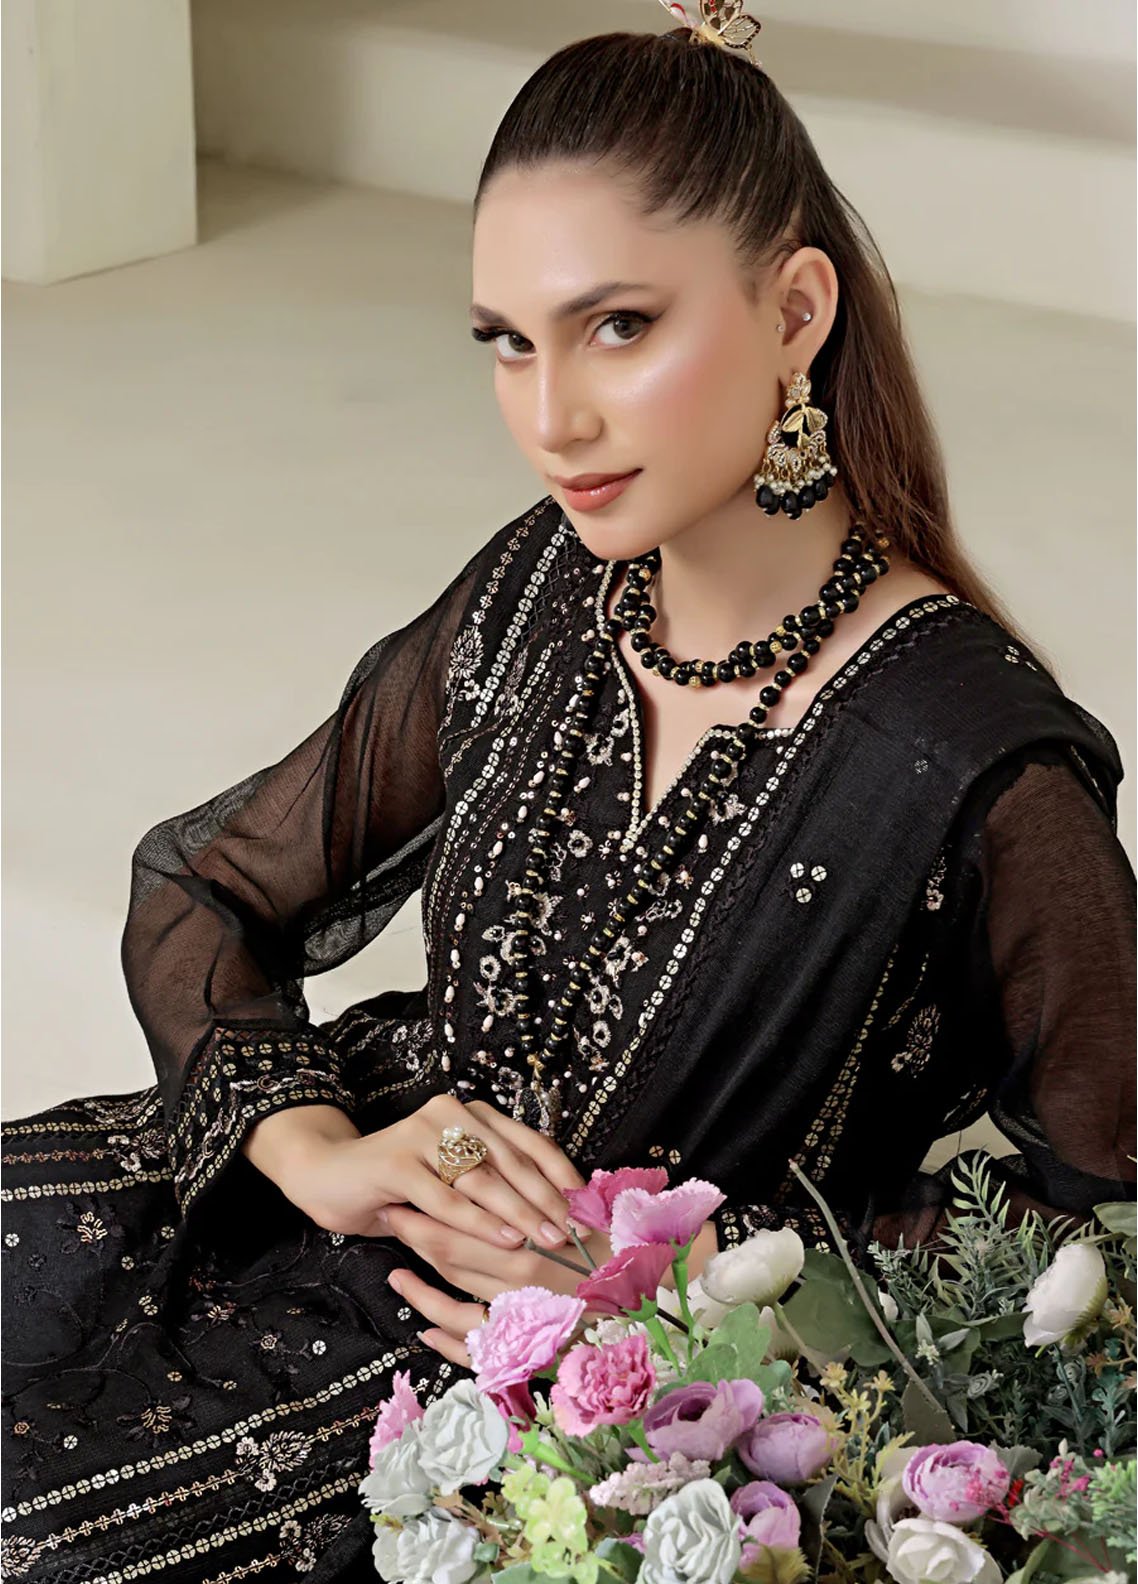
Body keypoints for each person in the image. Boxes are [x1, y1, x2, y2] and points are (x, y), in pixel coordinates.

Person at [2, 14, 1134, 1583]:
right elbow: (210, 883)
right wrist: (314, 1147)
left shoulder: (971, 759)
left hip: (577, 1435)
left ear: (793, 311)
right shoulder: (541, 590)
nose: (552, 418)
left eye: (616, 327)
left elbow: (1099, 1223)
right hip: (333, 1214)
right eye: (508, 341)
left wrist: (703, 1293)